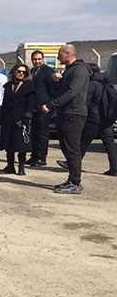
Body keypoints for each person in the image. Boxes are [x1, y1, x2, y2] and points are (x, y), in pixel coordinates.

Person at [43, 44, 88, 194]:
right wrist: (56, 81)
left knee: (72, 148)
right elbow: (58, 92)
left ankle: (76, 182)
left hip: (74, 114)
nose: (57, 57)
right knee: (66, 147)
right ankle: (71, 179)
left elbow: (72, 92)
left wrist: (51, 105)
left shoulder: (80, 70)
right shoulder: (68, 70)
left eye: (59, 54)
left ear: (68, 54)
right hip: (64, 113)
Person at [57, 64, 117, 176]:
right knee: (109, 144)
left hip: (94, 118)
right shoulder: (107, 83)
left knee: (82, 143)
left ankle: (72, 164)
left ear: (90, 73)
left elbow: (87, 101)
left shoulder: (92, 84)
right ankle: (114, 168)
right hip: (105, 118)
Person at [0, 64, 35, 175]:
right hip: (8, 117)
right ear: (14, 72)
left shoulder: (29, 86)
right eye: (19, 71)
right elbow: (5, 103)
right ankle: (10, 166)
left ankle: (21, 167)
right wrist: (2, 117)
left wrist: (27, 117)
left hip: (21, 117)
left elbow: (31, 103)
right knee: (9, 143)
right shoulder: (8, 85)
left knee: (21, 144)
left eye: (23, 72)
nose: (21, 74)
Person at [27, 50, 56, 167]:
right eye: (35, 59)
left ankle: (41, 157)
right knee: (33, 132)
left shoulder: (47, 71)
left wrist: (49, 104)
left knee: (42, 133)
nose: (37, 61)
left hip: (43, 107)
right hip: (33, 107)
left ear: (43, 59)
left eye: (39, 59)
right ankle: (34, 155)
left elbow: (53, 88)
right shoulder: (32, 71)